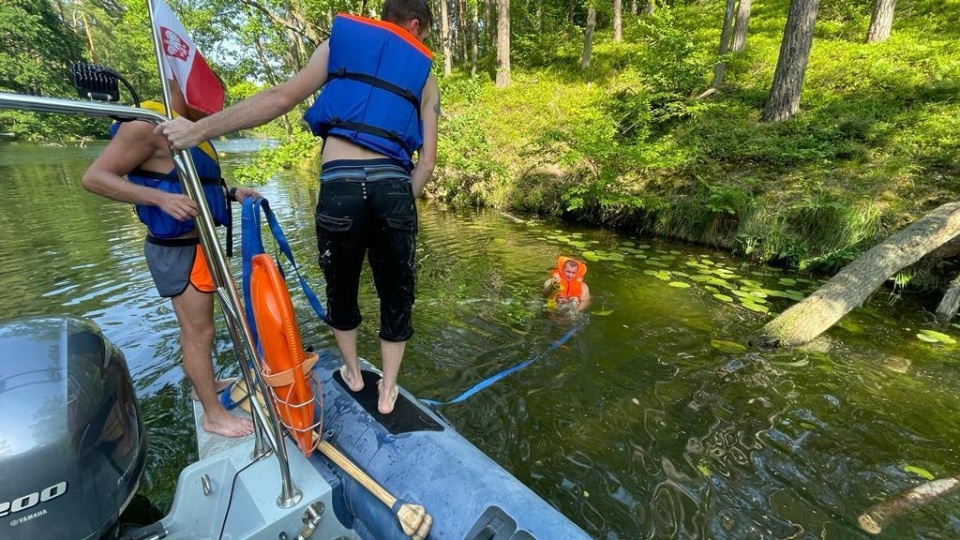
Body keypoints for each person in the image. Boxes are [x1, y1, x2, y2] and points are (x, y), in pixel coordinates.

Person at [154, 0, 440, 415]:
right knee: (396, 294)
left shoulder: (338, 45)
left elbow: (279, 98)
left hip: (340, 184)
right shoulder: (425, 75)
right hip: (393, 186)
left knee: (341, 289)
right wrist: (398, 203)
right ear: (416, 24)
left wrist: (196, 130)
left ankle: (353, 374)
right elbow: (427, 163)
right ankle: (388, 390)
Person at [82, 82, 258, 438]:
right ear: (176, 86)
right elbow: (95, 178)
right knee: (199, 331)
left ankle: (201, 386)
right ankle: (213, 415)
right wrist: (157, 200)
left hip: (201, 245)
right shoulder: (147, 125)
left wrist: (230, 193)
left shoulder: (185, 128)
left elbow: (186, 181)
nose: (211, 107)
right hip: (178, 250)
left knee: (209, 324)